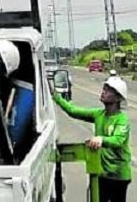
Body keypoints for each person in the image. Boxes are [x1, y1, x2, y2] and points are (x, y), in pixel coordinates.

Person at [53, 74, 131, 202]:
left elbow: (118, 140)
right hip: (102, 173)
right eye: (104, 88)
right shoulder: (99, 114)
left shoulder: (122, 119)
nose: (103, 92)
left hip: (119, 176)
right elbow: (73, 111)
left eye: (108, 90)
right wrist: (56, 97)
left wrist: (101, 139)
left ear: (117, 97)